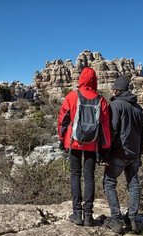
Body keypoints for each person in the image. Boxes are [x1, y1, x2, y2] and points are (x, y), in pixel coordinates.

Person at [58, 67, 111, 226]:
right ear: (94, 81)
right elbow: (104, 126)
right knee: (89, 176)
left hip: (74, 141)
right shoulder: (100, 99)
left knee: (75, 174)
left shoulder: (72, 96)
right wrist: (105, 147)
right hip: (92, 143)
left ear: (80, 79)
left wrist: (62, 139)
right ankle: (88, 215)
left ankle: (77, 214)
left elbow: (63, 120)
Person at [103, 75, 143, 233]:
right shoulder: (139, 109)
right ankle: (132, 217)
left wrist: (105, 154)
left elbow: (112, 130)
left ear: (116, 90)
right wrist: (139, 154)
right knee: (133, 184)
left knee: (109, 183)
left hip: (118, 153)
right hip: (134, 154)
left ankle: (116, 218)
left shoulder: (115, 105)